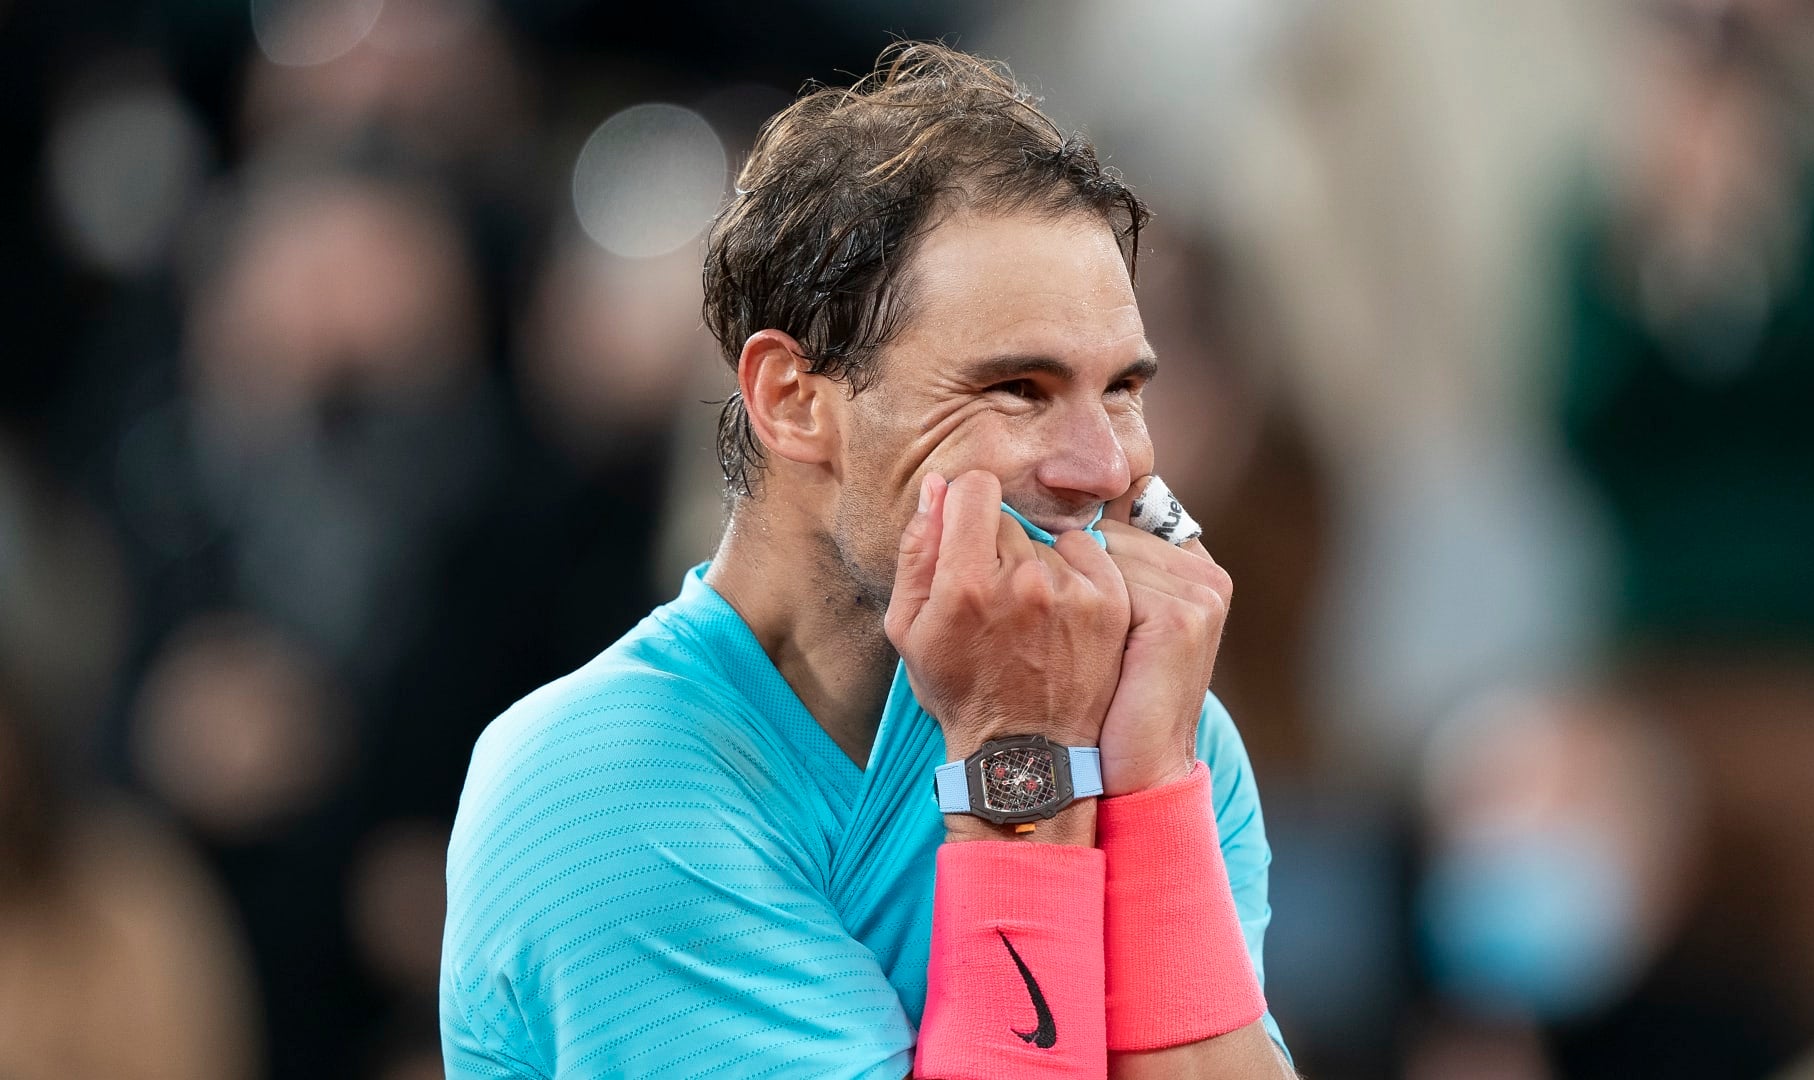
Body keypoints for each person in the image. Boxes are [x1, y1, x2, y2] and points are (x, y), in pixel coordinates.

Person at [441, 43, 1295, 1079]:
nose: (1105, 464)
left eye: (1121, 388)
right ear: (794, 401)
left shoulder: (1155, 726)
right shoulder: (591, 794)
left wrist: (1155, 778)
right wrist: (1020, 766)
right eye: (1018, 388)